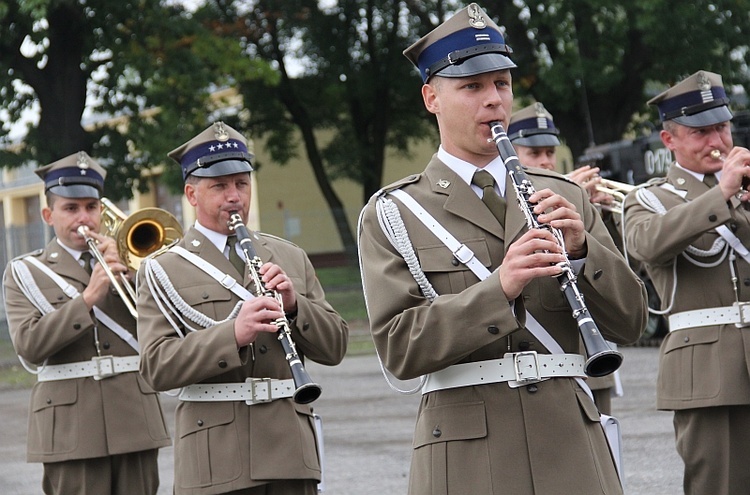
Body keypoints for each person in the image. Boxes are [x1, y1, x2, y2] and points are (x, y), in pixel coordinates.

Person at [357, 4, 647, 494]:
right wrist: (501, 289)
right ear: (432, 98)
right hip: (466, 453)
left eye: (501, 85)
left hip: (570, 442)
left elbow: (631, 323)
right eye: (472, 87)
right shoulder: (393, 213)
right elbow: (399, 349)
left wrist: (581, 254)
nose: (493, 101)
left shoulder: (565, 195)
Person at [136, 121, 348, 495]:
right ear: (191, 194)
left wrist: (296, 307)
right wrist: (232, 335)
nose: (234, 196)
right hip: (215, 459)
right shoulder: (162, 268)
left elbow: (335, 348)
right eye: (219, 186)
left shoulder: (289, 255)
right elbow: (155, 367)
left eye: (241, 183)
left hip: (290, 453)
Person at [2, 152, 171, 495]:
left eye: (91, 207)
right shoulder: (25, 271)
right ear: (49, 215)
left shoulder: (134, 262)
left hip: (134, 418)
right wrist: (88, 299)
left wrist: (132, 269)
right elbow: (30, 347)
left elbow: (169, 321)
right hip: (69, 428)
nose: (84, 218)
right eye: (71, 208)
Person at [623, 70, 750, 494]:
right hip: (708, 375)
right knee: (720, 485)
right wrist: (722, 195)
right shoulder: (648, 198)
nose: (716, 141)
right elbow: (648, 245)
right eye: (700, 132)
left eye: (721, 127)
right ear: (669, 140)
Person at [509, 101, 621, 415]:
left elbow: (631, 270)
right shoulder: (510, 202)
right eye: (534, 154)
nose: (546, 162)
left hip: (590, 357)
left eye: (549, 153)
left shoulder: (569, 197)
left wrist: (596, 213)